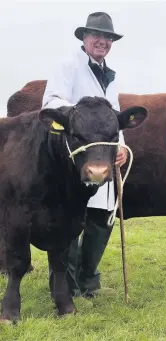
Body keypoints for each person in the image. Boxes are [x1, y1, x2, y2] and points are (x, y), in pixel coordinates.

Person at [42, 12, 128, 298]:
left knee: (102, 218)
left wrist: (122, 147)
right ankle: (67, 286)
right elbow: (52, 101)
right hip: (77, 160)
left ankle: (89, 280)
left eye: (108, 37)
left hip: (106, 155)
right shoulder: (68, 66)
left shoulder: (110, 75)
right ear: (84, 38)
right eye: (96, 36)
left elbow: (113, 118)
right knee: (70, 222)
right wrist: (85, 117)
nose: (102, 41)